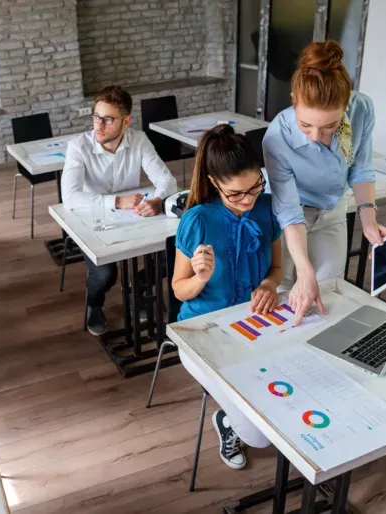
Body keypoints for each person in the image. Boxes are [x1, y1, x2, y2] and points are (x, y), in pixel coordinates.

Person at [172, 124, 282, 470]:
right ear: (215, 182)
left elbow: (276, 268)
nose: (248, 200)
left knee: (287, 387)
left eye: (255, 187)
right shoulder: (197, 220)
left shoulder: (266, 209)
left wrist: (269, 285)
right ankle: (228, 420)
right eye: (236, 194)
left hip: (254, 321)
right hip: (202, 329)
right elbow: (178, 289)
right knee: (259, 436)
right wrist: (200, 277)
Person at [263, 41, 386, 325]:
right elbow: (288, 210)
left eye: (329, 126)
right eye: (306, 125)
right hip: (289, 218)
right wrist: (305, 272)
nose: (315, 135)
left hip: (332, 210)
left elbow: (360, 166)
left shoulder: (362, 109)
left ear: (346, 106)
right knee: (286, 298)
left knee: (329, 298)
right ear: (294, 98)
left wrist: (368, 219)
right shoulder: (276, 137)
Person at [61, 85, 178, 336]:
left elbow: (167, 181)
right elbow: (69, 197)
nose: (99, 126)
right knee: (105, 272)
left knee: (168, 256)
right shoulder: (78, 146)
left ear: (126, 122)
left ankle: (138, 292)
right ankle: (94, 305)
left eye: (107, 119)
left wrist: (158, 200)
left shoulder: (139, 139)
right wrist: (115, 202)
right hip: (91, 220)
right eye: (96, 117)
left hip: (133, 220)